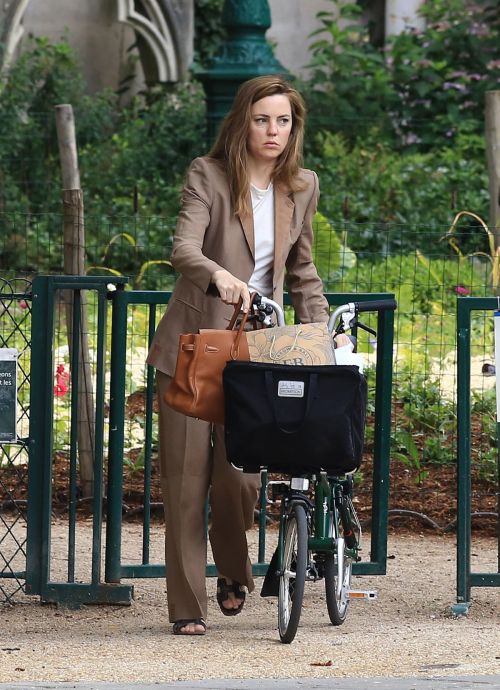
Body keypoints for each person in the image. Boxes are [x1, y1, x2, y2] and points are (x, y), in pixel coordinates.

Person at [147, 74, 345, 636]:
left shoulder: (302, 185)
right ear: (242, 122)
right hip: (193, 348)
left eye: (283, 121)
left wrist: (320, 337)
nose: (273, 131)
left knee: (241, 478)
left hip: (257, 352)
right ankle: (187, 608)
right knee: (186, 483)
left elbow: (303, 271)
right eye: (262, 119)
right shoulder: (206, 176)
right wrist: (220, 277)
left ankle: (233, 570)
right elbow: (183, 247)